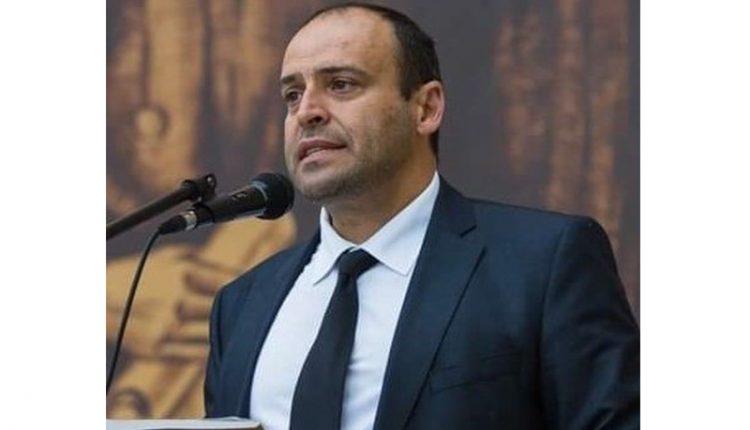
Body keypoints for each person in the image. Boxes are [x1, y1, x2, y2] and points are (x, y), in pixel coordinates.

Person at [204, 3, 639, 429]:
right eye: (292, 95)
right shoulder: (240, 305)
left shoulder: (542, 264)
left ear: (426, 108)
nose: (307, 112)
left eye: (341, 84)